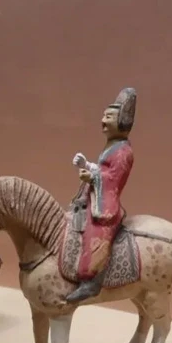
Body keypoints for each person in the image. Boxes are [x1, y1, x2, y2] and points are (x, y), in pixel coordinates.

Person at [65, 88, 136, 304]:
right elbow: (104, 169)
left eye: (109, 117)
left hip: (106, 204)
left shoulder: (124, 151)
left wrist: (92, 176)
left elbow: (114, 178)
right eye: (104, 116)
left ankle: (91, 280)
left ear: (122, 122)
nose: (103, 121)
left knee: (95, 234)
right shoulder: (113, 146)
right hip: (96, 197)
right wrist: (87, 165)